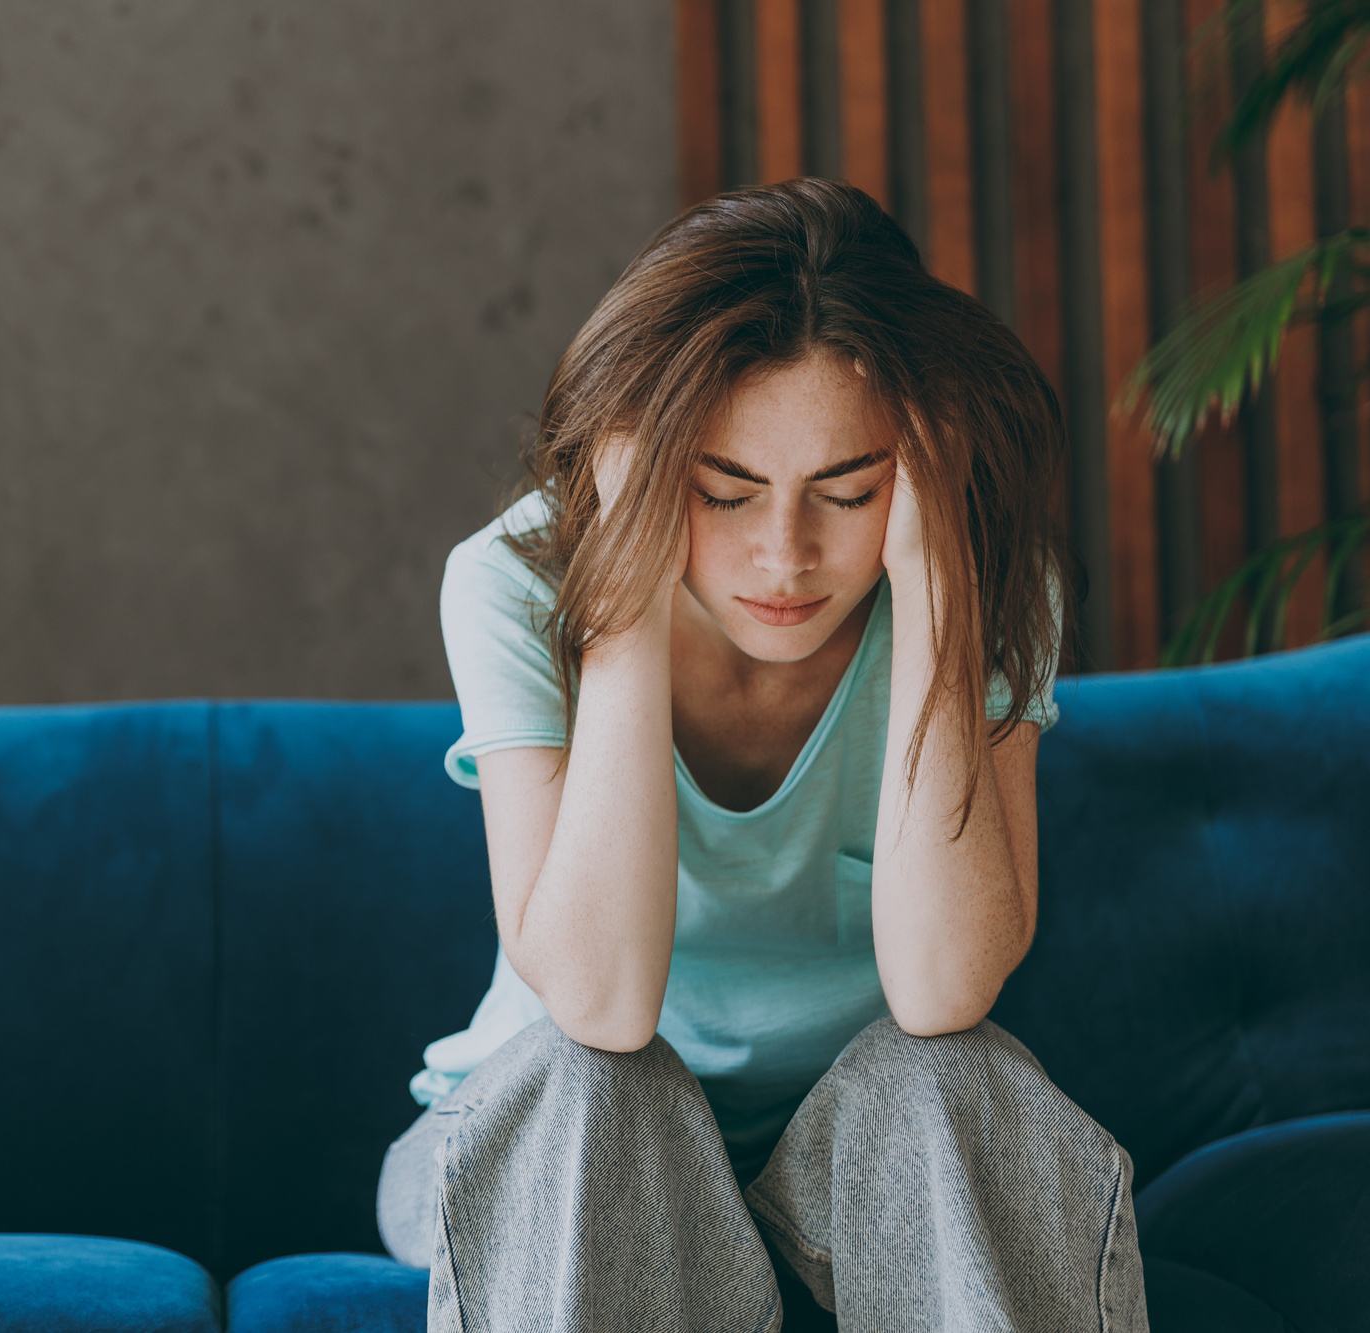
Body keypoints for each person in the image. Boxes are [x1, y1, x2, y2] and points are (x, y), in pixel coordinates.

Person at [375, 179, 1148, 1332]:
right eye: (721, 493)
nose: (781, 556)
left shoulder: (978, 579)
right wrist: (625, 585)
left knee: (954, 1077)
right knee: (593, 1084)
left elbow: (942, 991)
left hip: (860, 1152)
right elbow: (597, 1002)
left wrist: (936, 576)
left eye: (848, 491)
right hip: (562, 1136)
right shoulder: (511, 581)